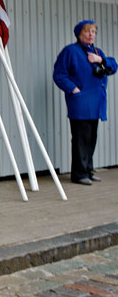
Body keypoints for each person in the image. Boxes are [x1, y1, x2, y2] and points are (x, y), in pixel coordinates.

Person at [53, 20, 116, 185]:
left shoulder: (96, 51)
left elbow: (113, 66)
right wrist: (73, 89)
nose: (91, 35)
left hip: (96, 104)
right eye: (87, 32)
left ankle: (88, 169)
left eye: (93, 32)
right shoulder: (71, 51)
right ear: (79, 34)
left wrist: (100, 60)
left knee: (91, 138)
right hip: (80, 103)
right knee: (81, 139)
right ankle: (79, 174)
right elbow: (59, 74)